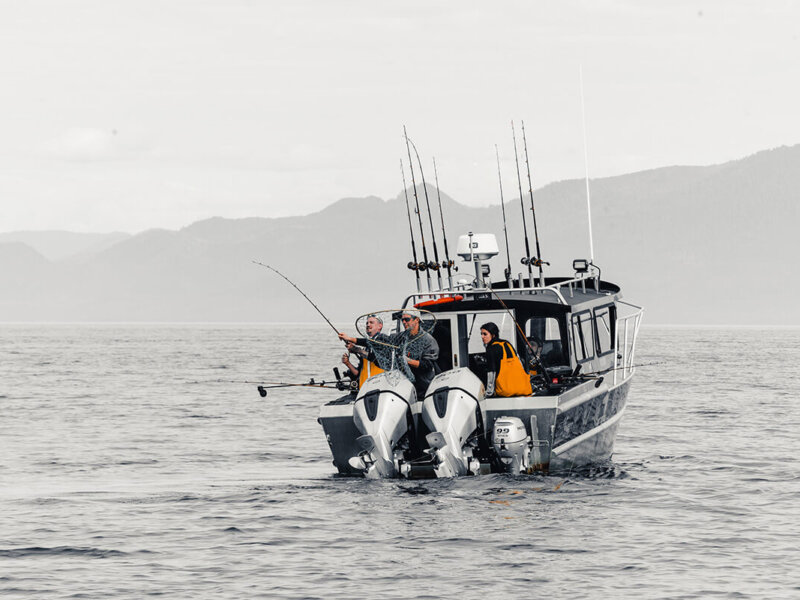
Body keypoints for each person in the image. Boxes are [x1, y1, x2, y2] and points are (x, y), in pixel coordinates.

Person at [480, 322, 532, 397]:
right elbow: (520, 363)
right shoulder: (507, 344)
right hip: (522, 388)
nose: (482, 336)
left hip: (505, 391)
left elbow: (492, 372)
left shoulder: (491, 349)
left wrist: (488, 393)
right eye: (481, 334)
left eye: (485, 334)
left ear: (493, 334)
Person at [338, 314, 387, 387]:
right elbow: (358, 373)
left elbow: (373, 357)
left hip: (379, 387)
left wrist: (354, 346)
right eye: (367, 323)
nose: (368, 325)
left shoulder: (384, 339)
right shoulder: (365, 348)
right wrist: (348, 363)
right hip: (364, 389)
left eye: (371, 322)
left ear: (380, 326)